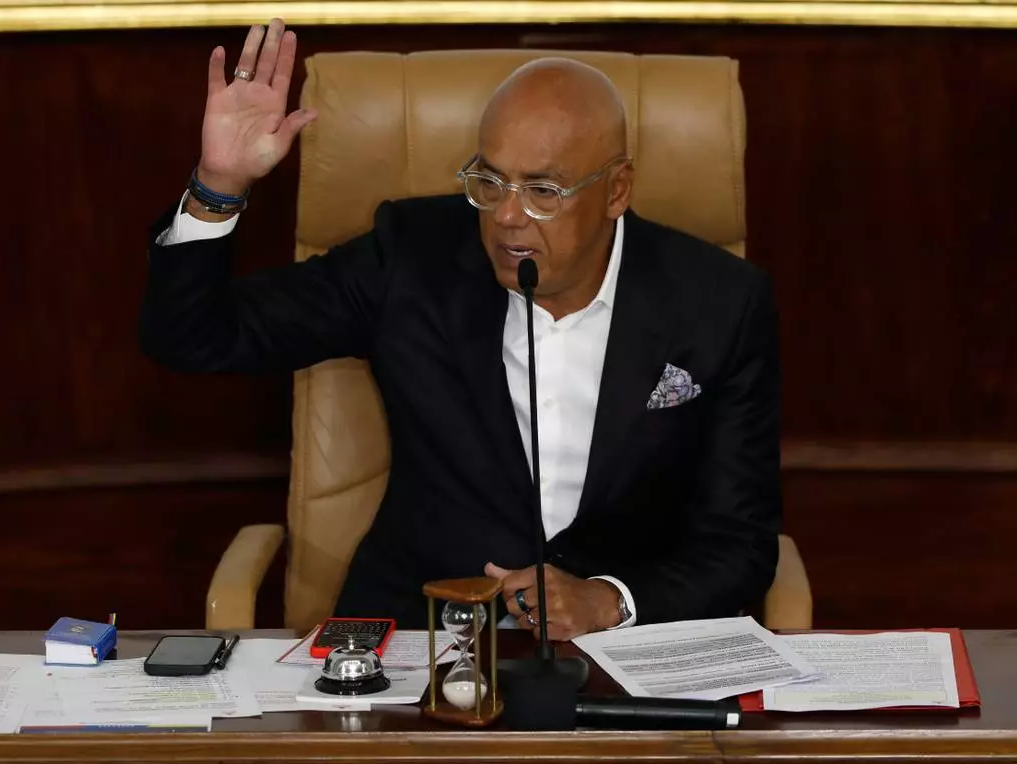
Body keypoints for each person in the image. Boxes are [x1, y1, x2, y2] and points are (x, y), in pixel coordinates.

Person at [141, 19, 781, 640]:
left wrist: (612, 600)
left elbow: (741, 543)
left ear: (617, 190)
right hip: (418, 632)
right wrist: (218, 186)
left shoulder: (719, 303)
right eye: (490, 181)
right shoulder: (410, 258)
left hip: (620, 648)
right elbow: (194, 336)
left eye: (543, 191)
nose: (506, 217)